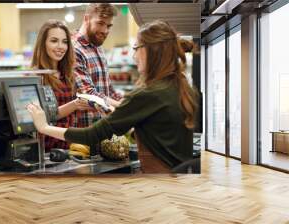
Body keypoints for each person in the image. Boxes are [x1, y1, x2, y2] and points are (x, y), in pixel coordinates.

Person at [27, 20, 198, 173]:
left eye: (136, 48)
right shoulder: (181, 86)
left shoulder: (148, 94)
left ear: (150, 51)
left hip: (160, 179)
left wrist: (44, 127)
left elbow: (92, 135)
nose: (133, 56)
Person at [31, 20, 94, 151]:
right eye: (54, 41)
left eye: (65, 42)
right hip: (47, 149)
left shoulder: (68, 74)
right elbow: (44, 116)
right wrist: (75, 104)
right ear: (43, 44)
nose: (61, 46)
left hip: (68, 145)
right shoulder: (35, 77)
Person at [72, 3, 123, 127]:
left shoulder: (98, 47)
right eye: (100, 23)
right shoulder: (74, 49)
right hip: (84, 131)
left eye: (109, 26)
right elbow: (88, 93)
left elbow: (107, 89)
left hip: (102, 127)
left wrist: (124, 100)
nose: (105, 31)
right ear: (86, 19)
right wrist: (122, 106)